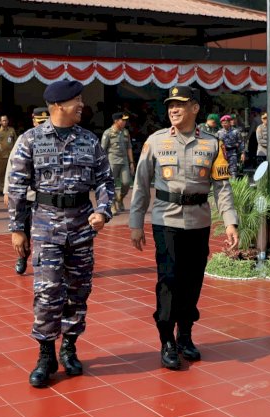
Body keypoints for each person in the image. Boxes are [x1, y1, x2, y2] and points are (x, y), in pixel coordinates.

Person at [8, 80, 114, 388]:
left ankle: (69, 348)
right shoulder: (31, 140)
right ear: (58, 106)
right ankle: (45, 354)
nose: (81, 105)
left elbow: (106, 182)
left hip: (81, 225)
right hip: (45, 227)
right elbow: (16, 187)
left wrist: (103, 212)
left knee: (78, 290)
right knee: (47, 292)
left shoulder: (89, 141)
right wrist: (17, 229)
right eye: (76, 101)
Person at [129, 85, 239, 370]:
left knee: (192, 280)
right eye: (170, 105)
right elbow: (141, 184)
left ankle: (185, 336)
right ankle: (166, 339)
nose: (173, 110)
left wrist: (230, 222)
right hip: (166, 221)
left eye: (180, 104)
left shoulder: (213, 144)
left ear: (195, 108)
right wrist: (135, 222)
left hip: (199, 221)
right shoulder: (155, 141)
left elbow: (222, 187)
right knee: (169, 280)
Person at [4, 108, 48, 275]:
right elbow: (12, 165)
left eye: (45, 121)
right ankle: (23, 257)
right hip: (27, 195)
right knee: (26, 230)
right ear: (33, 120)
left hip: (47, 198)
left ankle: (46, 263)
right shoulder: (25, 138)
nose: (42, 125)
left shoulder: (55, 138)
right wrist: (7, 191)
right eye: (39, 121)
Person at [101, 112, 133, 213]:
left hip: (124, 162)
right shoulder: (108, 133)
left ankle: (120, 198)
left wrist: (131, 162)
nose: (124, 122)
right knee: (111, 184)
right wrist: (103, 164)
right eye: (122, 120)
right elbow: (103, 149)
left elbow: (129, 147)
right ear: (116, 121)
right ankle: (113, 204)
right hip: (112, 161)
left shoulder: (125, 132)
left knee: (126, 182)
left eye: (125, 120)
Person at [0, 115, 17, 194]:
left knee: (11, 172)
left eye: (6, 120)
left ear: (8, 121)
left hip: (11, 155)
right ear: (0, 122)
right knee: (1, 173)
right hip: (1, 156)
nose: (4, 122)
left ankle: (11, 187)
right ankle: (2, 189)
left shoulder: (12, 130)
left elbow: (15, 141)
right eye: (3, 120)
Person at [218, 114, 244, 179]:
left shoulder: (236, 131)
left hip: (233, 153)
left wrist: (243, 153)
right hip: (222, 154)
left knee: (233, 170)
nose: (224, 124)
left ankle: (233, 184)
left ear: (230, 123)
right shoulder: (219, 132)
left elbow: (241, 142)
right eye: (222, 123)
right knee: (223, 169)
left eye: (226, 123)